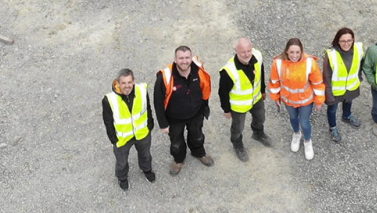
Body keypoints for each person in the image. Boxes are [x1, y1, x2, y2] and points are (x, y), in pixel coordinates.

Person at [153, 46, 213, 175]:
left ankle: (199, 152)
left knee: (197, 136)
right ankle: (178, 160)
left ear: (191, 58)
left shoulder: (199, 71)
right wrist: (163, 124)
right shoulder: (165, 77)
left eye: (187, 58)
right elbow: (158, 102)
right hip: (174, 119)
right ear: (175, 59)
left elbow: (205, 89)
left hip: (196, 114)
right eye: (181, 58)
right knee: (176, 142)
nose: (184, 61)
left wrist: (204, 109)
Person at [268, 38, 326, 160]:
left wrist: (319, 101)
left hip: (306, 100)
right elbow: (274, 82)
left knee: (304, 122)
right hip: (288, 100)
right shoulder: (278, 63)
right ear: (286, 52)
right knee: (293, 118)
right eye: (292, 52)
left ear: (301, 52)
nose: (295, 55)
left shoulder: (309, 63)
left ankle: (307, 141)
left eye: (297, 52)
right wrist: (276, 97)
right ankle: (296, 134)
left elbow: (318, 83)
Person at [218, 38, 273, 162]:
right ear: (236, 51)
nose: (247, 54)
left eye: (249, 50)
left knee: (260, 118)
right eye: (243, 52)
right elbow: (223, 92)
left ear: (252, 48)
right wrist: (226, 110)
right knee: (238, 128)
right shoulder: (228, 71)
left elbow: (261, 73)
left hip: (256, 99)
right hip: (239, 106)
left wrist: (263, 90)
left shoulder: (257, 56)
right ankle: (237, 145)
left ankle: (258, 133)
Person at [102, 68, 155, 191]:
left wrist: (150, 125)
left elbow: (147, 107)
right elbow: (108, 121)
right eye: (123, 83)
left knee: (145, 155)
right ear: (118, 83)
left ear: (134, 81)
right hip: (122, 138)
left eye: (129, 82)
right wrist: (113, 138)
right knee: (121, 161)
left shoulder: (142, 90)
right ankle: (122, 177)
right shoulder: (109, 100)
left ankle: (146, 169)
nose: (127, 86)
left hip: (142, 133)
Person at [321, 28, 364, 143]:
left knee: (348, 102)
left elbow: (361, 64)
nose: (346, 43)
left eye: (349, 40)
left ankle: (346, 115)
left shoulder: (358, 49)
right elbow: (326, 77)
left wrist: (359, 77)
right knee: (332, 109)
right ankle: (333, 127)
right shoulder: (331, 55)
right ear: (337, 41)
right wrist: (328, 95)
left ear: (353, 40)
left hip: (350, 87)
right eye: (343, 41)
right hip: (335, 91)